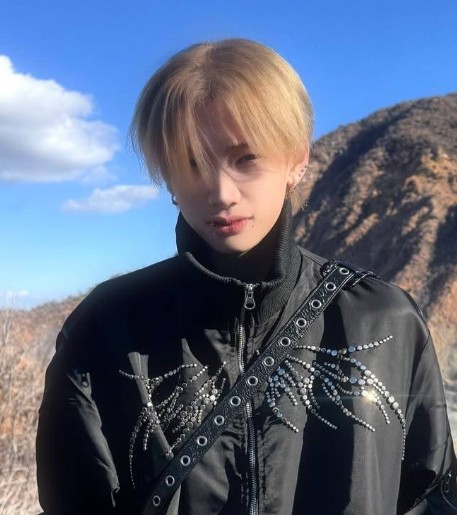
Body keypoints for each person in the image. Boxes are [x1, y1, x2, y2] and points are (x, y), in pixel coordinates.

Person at [36, 39, 457, 514]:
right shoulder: (107, 328)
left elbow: (432, 495)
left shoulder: (384, 320)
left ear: (297, 159)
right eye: (192, 163)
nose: (221, 193)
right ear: (166, 176)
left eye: (246, 158)